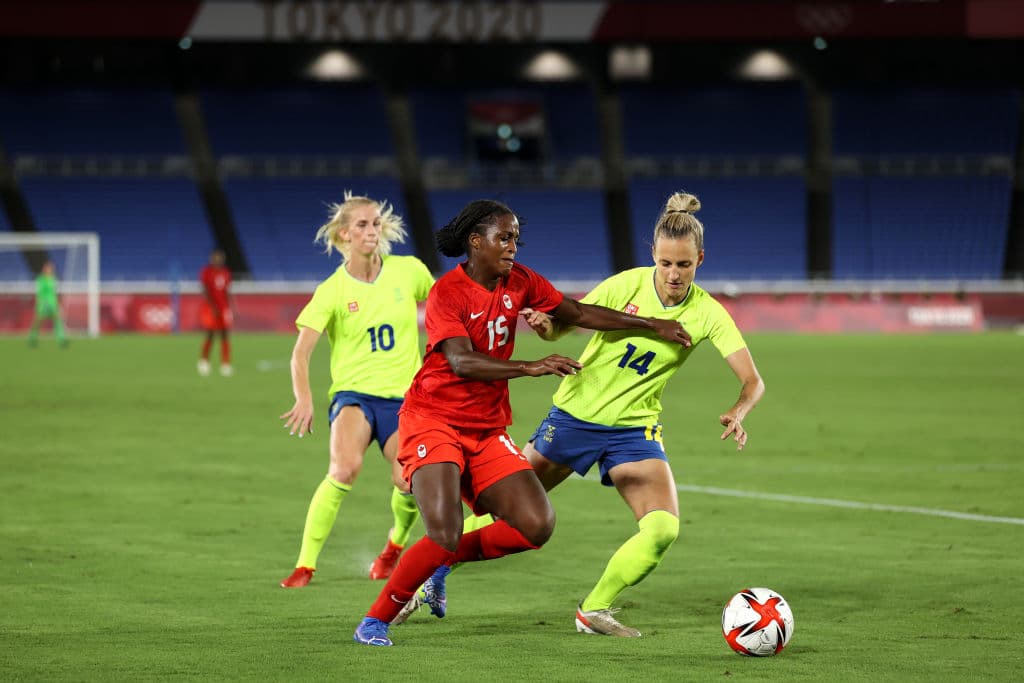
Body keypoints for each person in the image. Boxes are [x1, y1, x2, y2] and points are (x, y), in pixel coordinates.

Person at [401, 191, 765, 638]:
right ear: (653, 254)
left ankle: (594, 610)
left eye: (684, 265)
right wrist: (546, 327)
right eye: (666, 263)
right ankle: (429, 574)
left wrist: (739, 409)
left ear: (700, 260)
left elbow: (753, 380)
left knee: (662, 529)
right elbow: (565, 322)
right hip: (574, 417)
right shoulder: (624, 285)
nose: (673, 274)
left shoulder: (709, 313)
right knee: (510, 511)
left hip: (635, 430)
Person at [352, 198, 692, 647]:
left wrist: (650, 323)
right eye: (504, 237)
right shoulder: (447, 293)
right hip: (433, 420)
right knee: (445, 531)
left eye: (515, 237)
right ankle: (374, 621)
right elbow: (459, 361)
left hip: (486, 427)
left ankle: (436, 565)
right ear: (476, 242)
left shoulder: (521, 281)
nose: (513, 246)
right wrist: (529, 367)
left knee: (536, 524)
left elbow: (577, 313)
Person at [279, 192, 434, 589]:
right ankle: (305, 565)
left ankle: (392, 549)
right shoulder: (331, 290)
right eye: (362, 225)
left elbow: (442, 306)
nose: (371, 230)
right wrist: (304, 397)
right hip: (354, 395)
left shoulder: (408, 271)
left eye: (376, 223)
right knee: (344, 469)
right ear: (345, 234)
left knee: (407, 482)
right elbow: (300, 354)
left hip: (405, 399)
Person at [198, 249, 234, 377]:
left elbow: (227, 291)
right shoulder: (206, 272)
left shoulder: (226, 273)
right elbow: (205, 290)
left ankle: (226, 364)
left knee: (225, 334)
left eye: (220, 257)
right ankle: (204, 361)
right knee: (210, 334)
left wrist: (230, 307)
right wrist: (212, 306)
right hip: (210, 308)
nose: (218, 259)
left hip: (224, 308)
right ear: (211, 258)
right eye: (216, 257)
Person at [28, 260, 67, 347]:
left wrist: (58, 303)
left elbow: (55, 293)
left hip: (53, 304)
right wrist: (40, 303)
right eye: (48, 268)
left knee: (57, 321)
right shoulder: (40, 279)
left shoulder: (54, 279)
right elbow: (39, 292)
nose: (50, 269)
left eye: (51, 268)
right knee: (37, 322)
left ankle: (61, 340)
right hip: (43, 304)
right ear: (44, 269)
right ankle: (32, 339)